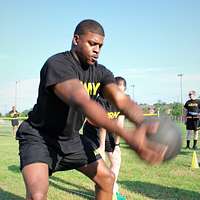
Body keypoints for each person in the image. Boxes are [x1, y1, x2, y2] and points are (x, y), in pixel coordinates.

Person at [16, 19, 166, 200]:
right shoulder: (58, 65)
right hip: (40, 137)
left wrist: (143, 123)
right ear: (76, 40)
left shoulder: (101, 72)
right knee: (37, 196)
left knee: (107, 179)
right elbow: (82, 102)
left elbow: (120, 99)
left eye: (100, 46)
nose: (97, 50)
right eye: (92, 44)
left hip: (71, 139)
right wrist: (129, 136)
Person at [83, 76, 127, 200]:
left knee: (116, 160)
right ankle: (107, 191)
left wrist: (117, 145)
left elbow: (120, 125)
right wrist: (102, 146)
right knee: (100, 162)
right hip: (93, 131)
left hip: (109, 131)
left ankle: (111, 189)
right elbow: (101, 125)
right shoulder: (102, 100)